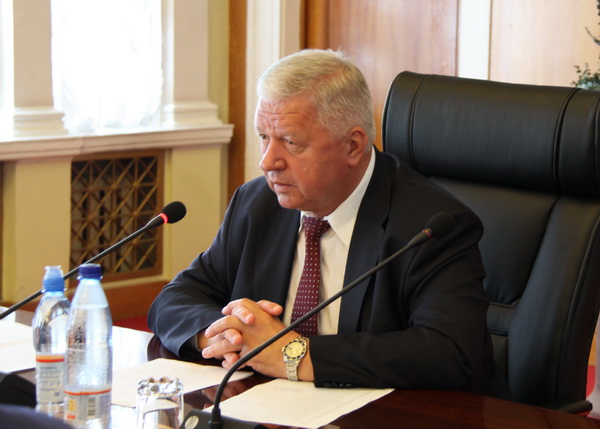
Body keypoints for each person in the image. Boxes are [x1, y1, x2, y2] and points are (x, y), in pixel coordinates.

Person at [149, 49, 502, 395]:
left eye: (290, 142)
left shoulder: (430, 226)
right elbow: (175, 299)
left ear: (352, 146)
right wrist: (222, 335)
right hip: (267, 408)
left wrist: (293, 355)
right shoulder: (257, 204)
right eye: (264, 137)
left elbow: (452, 352)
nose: (268, 162)